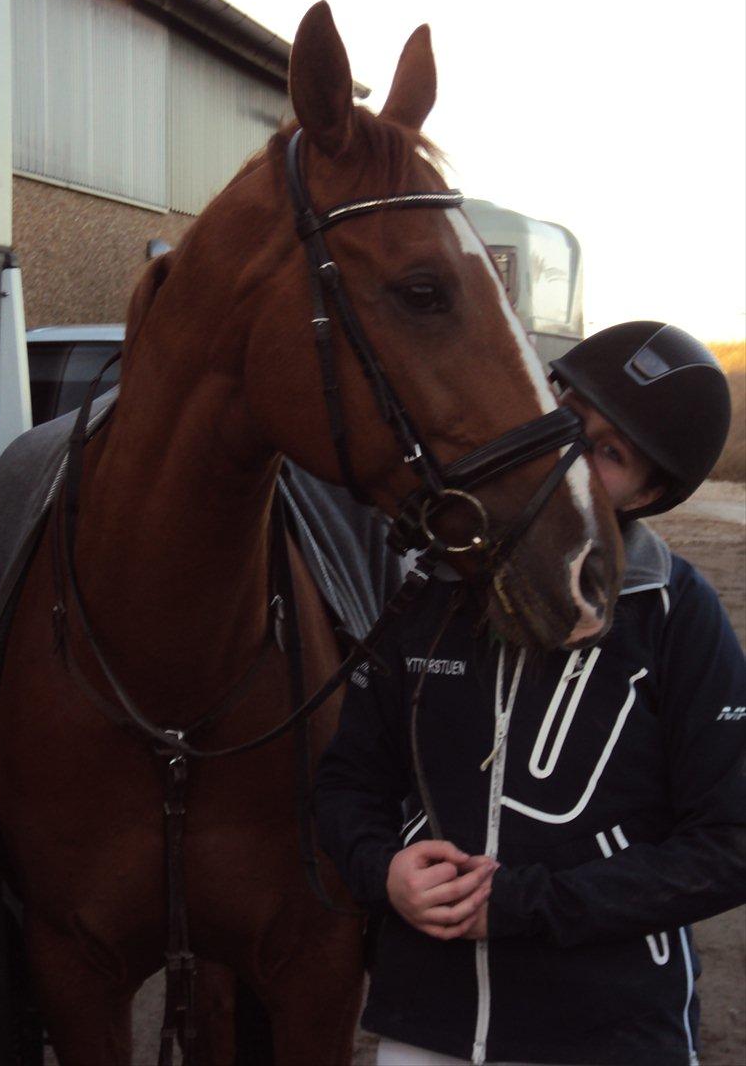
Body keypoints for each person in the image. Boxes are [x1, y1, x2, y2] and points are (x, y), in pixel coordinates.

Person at [314, 321, 746, 1066]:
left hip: (610, 1036)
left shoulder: (677, 613)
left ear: (652, 491)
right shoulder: (431, 598)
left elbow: (729, 844)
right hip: (427, 1027)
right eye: (568, 421)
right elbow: (348, 781)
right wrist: (382, 870)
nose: (571, 456)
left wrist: (524, 905)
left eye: (609, 452)